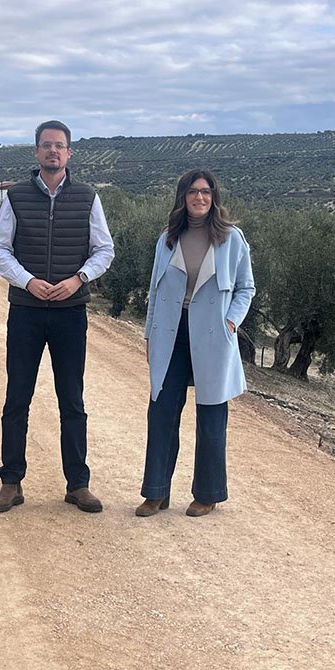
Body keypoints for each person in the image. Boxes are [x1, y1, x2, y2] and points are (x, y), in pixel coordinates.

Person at [0, 120, 115, 514]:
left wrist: (79, 279)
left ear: (69, 153)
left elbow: (104, 250)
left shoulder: (88, 197)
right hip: (25, 312)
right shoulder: (17, 196)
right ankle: (11, 482)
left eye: (59, 146)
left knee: (72, 400)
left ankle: (78, 484)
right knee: (17, 399)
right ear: (36, 152)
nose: (53, 152)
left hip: (70, 314)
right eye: (46, 146)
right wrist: (27, 282)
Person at [137, 170, 254, 517]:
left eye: (205, 192)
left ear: (213, 197)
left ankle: (208, 493)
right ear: (182, 197)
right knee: (161, 411)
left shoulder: (232, 239)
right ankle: (155, 492)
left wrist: (231, 320)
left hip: (213, 334)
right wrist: (148, 333)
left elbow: (246, 288)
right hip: (170, 332)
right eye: (192, 192)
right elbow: (155, 292)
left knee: (211, 415)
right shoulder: (168, 239)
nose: (199, 198)